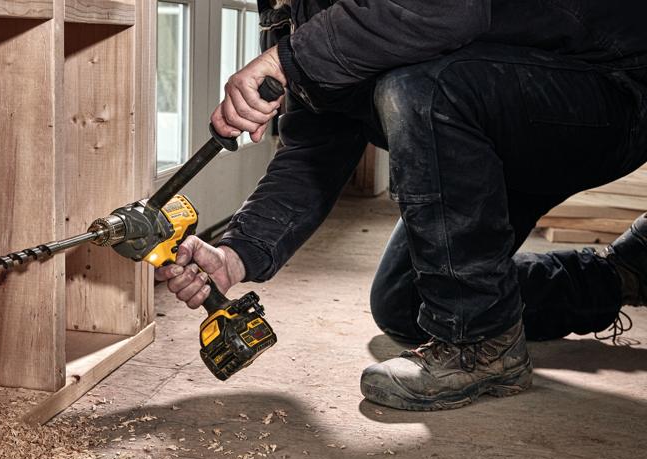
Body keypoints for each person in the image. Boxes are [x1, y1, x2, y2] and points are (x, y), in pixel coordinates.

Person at [155, 0, 647, 411]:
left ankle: (484, 344)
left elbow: (448, 9)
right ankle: (624, 273)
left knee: (422, 90)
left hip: (609, 87)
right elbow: (317, 144)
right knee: (407, 305)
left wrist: (288, 60)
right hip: (492, 120)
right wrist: (237, 253)